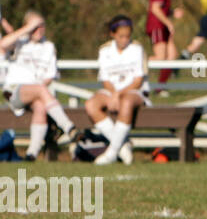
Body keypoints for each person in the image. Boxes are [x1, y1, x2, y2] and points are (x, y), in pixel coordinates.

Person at [3, 11, 77, 158]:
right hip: (14, 92)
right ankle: (68, 126)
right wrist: (27, 29)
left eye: (41, 25)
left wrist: (38, 89)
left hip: (36, 94)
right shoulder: (20, 42)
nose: (39, 29)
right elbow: (3, 44)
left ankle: (31, 154)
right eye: (35, 26)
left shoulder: (48, 47)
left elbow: (49, 76)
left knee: (41, 107)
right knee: (41, 90)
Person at [86, 15, 150, 165]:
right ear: (112, 34)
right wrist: (114, 94)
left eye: (128, 36)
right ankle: (122, 145)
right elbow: (105, 79)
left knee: (126, 102)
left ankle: (112, 153)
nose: (124, 40)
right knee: (91, 104)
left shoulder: (136, 49)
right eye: (121, 36)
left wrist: (118, 94)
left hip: (134, 92)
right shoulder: (105, 51)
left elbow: (138, 81)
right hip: (112, 91)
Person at [146, 0, 184, 89]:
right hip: (157, 25)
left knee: (172, 56)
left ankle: (159, 88)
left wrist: (173, 12)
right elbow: (155, 9)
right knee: (160, 58)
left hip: (163, 25)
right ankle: (133, 64)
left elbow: (162, 8)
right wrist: (168, 22)